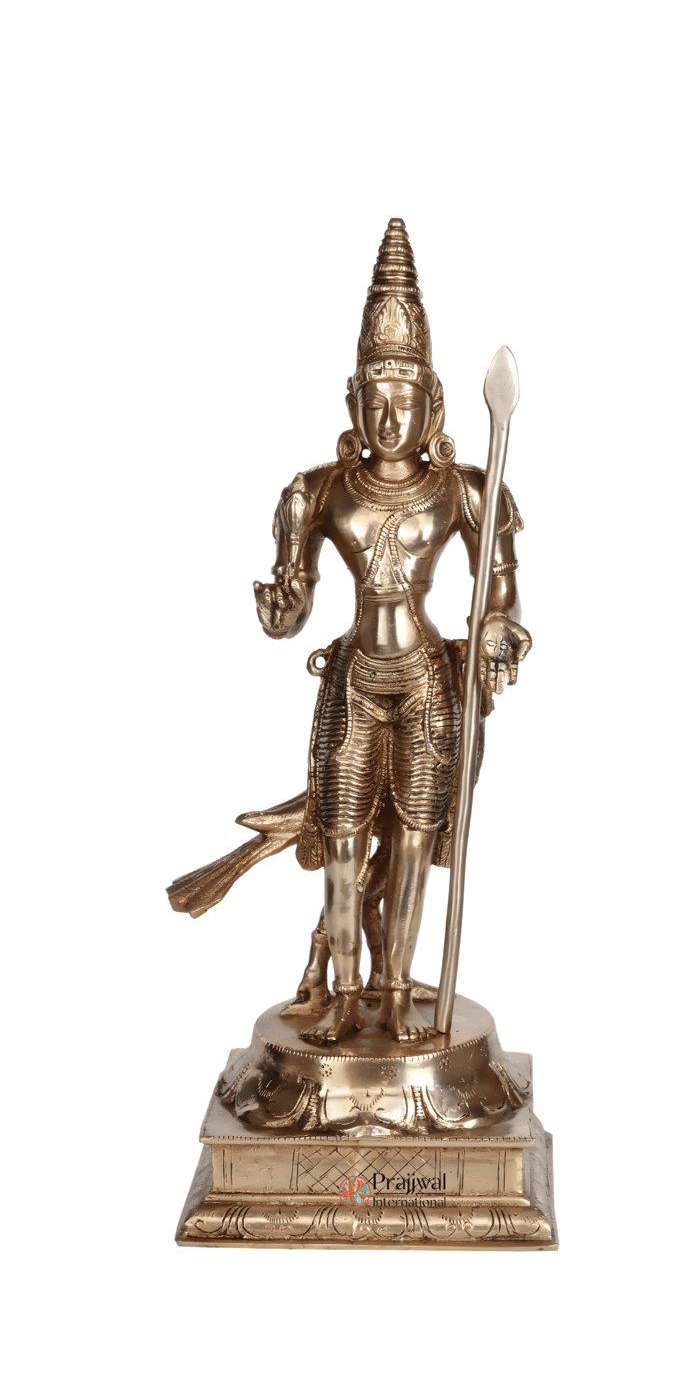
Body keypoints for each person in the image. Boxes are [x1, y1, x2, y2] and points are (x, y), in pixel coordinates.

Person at [252, 219, 532, 1043]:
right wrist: (280, 608)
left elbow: (500, 592)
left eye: (403, 401)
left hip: (424, 681)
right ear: (351, 401)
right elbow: (293, 605)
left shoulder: (464, 490)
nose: (386, 415)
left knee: (413, 837)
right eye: (372, 400)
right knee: (341, 838)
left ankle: (398, 987)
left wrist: (496, 631)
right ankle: (345, 994)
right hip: (354, 680)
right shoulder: (318, 492)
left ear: (432, 405)